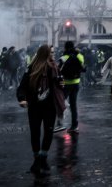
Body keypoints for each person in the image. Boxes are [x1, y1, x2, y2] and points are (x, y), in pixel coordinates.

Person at [17, 45, 66, 177]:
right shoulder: (32, 68)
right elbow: (22, 86)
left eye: (54, 52)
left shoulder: (55, 68)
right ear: (44, 54)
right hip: (35, 106)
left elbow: (60, 85)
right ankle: (37, 158)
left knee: (48, 132)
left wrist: (62, 85)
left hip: (50, 106)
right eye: (51, 52)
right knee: (35, 132)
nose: (53, 54)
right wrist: (21, 99)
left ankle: (42, 157)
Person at [57, 41, 85, 133]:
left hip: (65, 83)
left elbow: (58, 70)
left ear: (65, 47)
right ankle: (74, 126)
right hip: (76, 83)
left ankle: (60, 123)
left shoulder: (63, 57)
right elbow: (82, 67)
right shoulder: (80, 56)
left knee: (60, 103)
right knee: (73, 105)